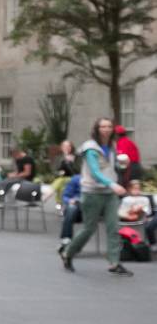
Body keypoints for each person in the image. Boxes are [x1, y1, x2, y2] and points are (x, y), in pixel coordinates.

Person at [61, 117, 132, 276]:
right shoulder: (90, 148)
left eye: (109, 126)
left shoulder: (111, 146)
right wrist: (112, 184)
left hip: (109, 194)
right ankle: (68, 253)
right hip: (92, 193)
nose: (106, 129)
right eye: (103, 127)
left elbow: (110, 168)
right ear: (97, 129)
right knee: (89, 228)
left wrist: (122, 166)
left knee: (113, 227)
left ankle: (114, 263)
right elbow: (95, 172)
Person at [58, 174, 84, 249]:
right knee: (71, 208)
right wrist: (70, 200)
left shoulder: (100, 180)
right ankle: (66, 239)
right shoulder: (77, 179)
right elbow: (65, 196)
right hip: (77, 209)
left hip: (91, 209)